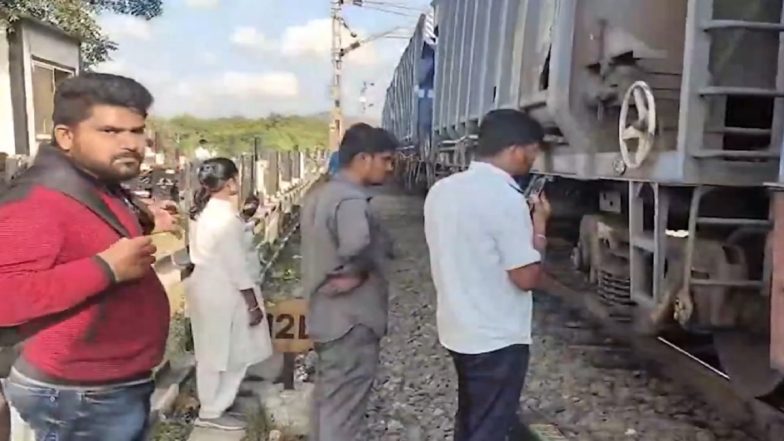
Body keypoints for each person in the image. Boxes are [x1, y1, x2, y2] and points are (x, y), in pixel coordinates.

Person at [0, 73, 176, 441]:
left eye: (137, 130)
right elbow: (6, 297)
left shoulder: (97, 184)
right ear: (66, 136)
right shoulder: (37, 201)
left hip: (109, 385)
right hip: (80, 394)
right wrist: (106, 269)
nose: (131, 143)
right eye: (110, 131)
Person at [423, 109, 551, 441]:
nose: (531, 163)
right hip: (496, 337)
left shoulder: (442, 190)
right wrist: (539, 230)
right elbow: (526, 277)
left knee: (471, 416)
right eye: (532, 154)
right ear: (516, 150)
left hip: (457, 328)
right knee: (489, 427)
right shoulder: (506, 200)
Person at [301, 123, 396, 441]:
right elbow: (357, 243)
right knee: (344, 413)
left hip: (325, 317)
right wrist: (360, 270)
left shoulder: (320, 194)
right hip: (352, 322)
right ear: (364, 158)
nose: (389, 167)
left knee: (328, 403)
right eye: (385, 159)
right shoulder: (352, 200)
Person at [187, 158, 273, 431]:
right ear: (231, 182)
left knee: (214, 350)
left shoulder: (208, 212)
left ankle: (214, 405)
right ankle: (212, 410)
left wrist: (246, 218)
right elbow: (235, 263)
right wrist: (252, 304)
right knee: (231, 353)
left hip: (209, 286)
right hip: (225, 290)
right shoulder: (222, 218)